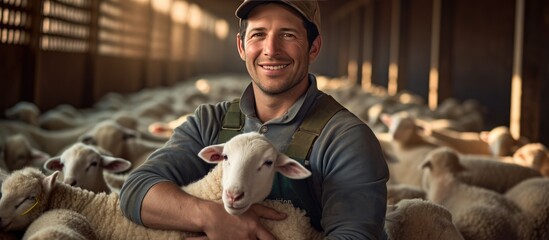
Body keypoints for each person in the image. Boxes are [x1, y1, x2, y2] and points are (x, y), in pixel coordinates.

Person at [119, 0, 389, 239]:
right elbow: (136, 189)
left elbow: (356, 234)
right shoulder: (209, 121)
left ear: (313, 47)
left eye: (288, 34)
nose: (271, 49)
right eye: (258, 34)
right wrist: (211, 218)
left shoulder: (345, 138)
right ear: (241, 46)